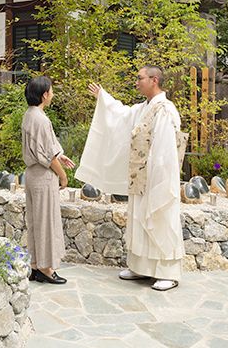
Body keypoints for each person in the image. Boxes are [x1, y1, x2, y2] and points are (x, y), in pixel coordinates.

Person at [75, 66, 184, 291]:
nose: (136, 82)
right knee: (138, 219)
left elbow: (165, 150)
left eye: (140, 78)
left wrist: (158, 176)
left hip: (156, 176)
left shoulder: (164, 109)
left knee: (159, 218)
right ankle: (141, 267)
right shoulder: (143, 107)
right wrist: (103, 98)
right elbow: (121, 114)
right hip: (140, 176)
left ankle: (167, 272)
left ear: (154, 80)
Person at [21, 75, 75, 284]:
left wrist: (58, 155)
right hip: (43, 177)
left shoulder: (30, 115)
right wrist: (63, 176)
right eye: (51, 91)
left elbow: (41, 148)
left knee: (35, 222)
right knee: (46, 222)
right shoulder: (41, 119)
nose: (52, 94)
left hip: (32, 174)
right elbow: (47, 156)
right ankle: (46, 268)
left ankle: (35, 265)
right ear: (44, 94)